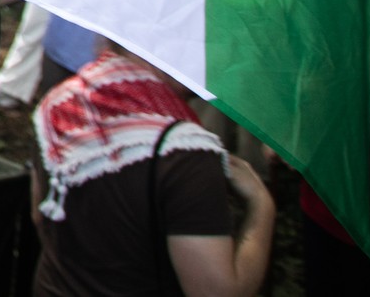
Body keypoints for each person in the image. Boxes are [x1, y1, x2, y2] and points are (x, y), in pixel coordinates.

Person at [31, 48, 274, 297]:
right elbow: (216, 293)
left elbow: (41, 217)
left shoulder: (58, 104)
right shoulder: (186, 153)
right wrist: (262, 205)